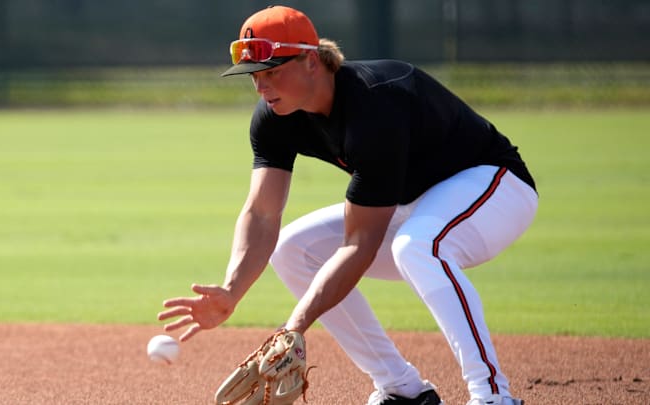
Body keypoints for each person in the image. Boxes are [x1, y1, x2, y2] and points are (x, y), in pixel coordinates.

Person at [158, 5, 537, 405]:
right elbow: (262, 212)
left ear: (310, 60)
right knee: (292, 250)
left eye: (272, 71)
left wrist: (295, 328)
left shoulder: (375, 103)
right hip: (412, 204)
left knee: (418, 246)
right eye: (255, 75)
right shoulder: (274, 116)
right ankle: (401, 389)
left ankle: (491, 394)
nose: (261, 87)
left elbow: (361, 244)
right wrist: (233, 289)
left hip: (493, 187)